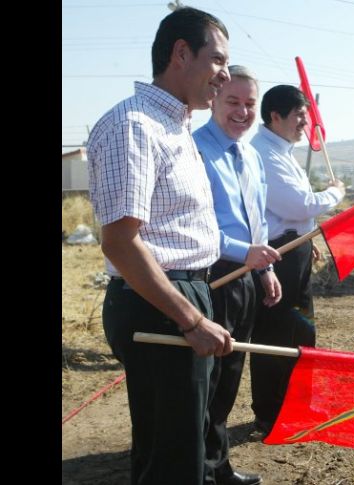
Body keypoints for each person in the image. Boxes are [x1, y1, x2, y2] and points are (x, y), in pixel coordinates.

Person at [86, 7, 233, 485]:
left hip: (182, 295)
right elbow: (121, 243)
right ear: (181, 53)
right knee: (172, 462)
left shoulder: (174, 126)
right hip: (159, 304)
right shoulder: (134, 126)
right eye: (217, 60)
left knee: (184, 448)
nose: (225, 75)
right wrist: (189, 318)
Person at [194, 65, 280, 485]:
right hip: (211, 275)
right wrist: (244, 254)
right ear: (213, 99)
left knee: (230, 376)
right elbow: (198, 226)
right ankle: (201, 471)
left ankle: (218, 466)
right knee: (206, 380)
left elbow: (256, 219)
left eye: (250, 104)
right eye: (233, 101)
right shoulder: (194, 150)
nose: (243, 112)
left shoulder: (251, 155)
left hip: (246, 275)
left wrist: (263, 271)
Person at [248, 85, 346, 437]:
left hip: (295, 249)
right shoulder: (263, 154)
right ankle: (270, 413)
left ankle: (299, 402)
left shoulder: (283, 151)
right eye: (299, 116)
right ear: (275, 116)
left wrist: (307, 236)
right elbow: (298, 204)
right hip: (277, 255)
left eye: (306, 115)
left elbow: (297, 213)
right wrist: (336, 192)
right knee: (275, 335)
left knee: (302, 330)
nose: (306, 123)